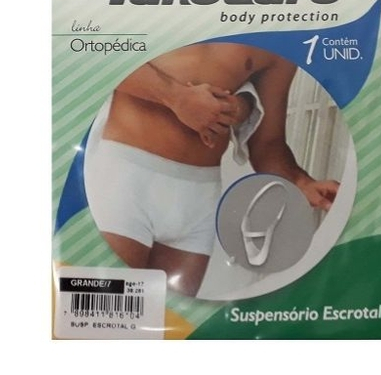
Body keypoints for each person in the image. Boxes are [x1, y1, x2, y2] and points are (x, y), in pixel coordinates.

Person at [86, 42, 339, 296]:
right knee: (106, 310)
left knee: (168, 316)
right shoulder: (152, 14)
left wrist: (300, 181)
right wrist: (176, 97)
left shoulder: (278, 41)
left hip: (200, 200)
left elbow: (268, 143)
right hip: (127, 178)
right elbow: (101, 55)